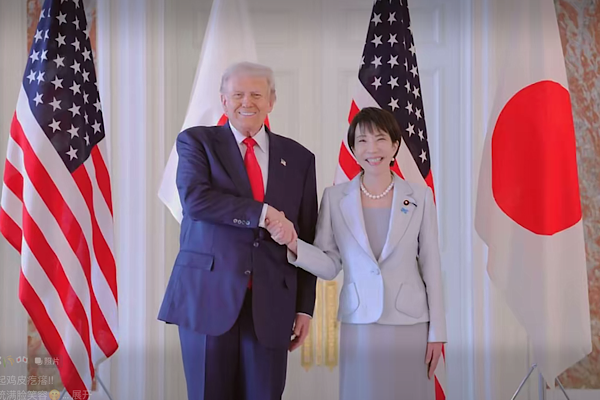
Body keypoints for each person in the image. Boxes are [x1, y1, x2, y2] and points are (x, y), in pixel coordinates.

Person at [158, 61, 319, 400]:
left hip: (272, 304)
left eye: (257, 95)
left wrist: (305, 306)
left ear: (271, 101)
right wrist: (263, 213)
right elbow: (196, 201)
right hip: (207, 298)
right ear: (223, 100)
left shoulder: (300, 158)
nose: (247, 102)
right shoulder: (196, 142)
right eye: (238, 95)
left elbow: (306, 236)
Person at [268, 107, 447, 400]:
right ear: (352, 149)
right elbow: (330, 264)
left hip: (411, 322)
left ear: (395, 145)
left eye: (380, 139)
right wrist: (294, 244)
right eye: (362, 141)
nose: (371, 149)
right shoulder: (334, 198)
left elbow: (431, 265)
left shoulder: (419, 196)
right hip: (359, 321)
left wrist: (437, 332)